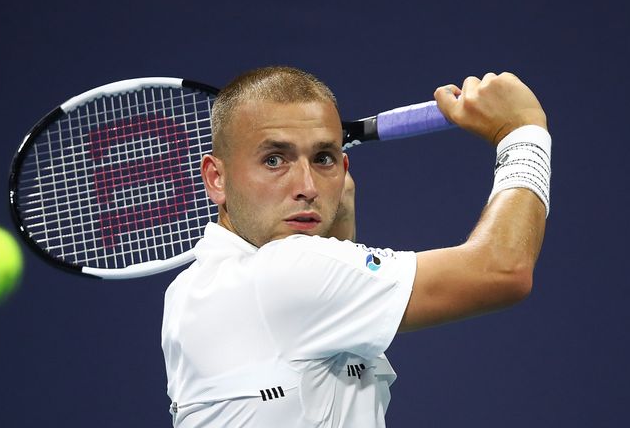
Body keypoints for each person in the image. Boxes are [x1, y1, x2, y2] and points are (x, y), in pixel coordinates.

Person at [161, 66, 550, 427]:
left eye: (323, 158)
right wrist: (522, 133)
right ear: (216, 179)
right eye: (274, 159)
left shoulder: (189, 292)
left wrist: (337, 224)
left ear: (344, 171)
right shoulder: (285, 274)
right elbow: (502, 269)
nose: (307, 187)